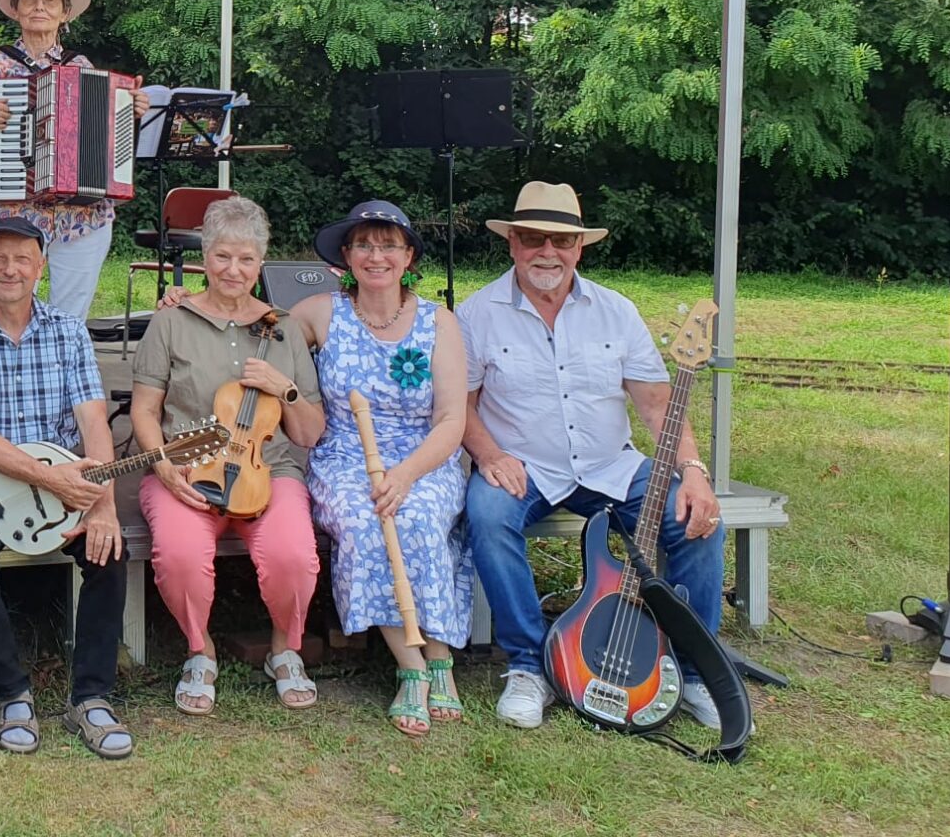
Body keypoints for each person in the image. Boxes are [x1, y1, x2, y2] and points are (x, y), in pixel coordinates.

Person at [457, 181, 725, 731]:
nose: (547, 252)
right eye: (534, 238)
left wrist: (694, 473)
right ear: (512, 243)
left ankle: (694, 671)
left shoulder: (616, 311)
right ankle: (530, 666)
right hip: (524, 467)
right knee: (486, 514)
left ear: (579, 248)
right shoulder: (477, 313)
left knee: (697, 519)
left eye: (561, 241)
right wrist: (488, 455)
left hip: (612, 464)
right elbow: (460, 405)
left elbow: (657, 405)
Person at [0, 215, 133, 759]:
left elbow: (94, 422)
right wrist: (49, 478)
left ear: (41, 266)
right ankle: (12, 693)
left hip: (62, 471)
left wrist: (103, 505)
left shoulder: (68, 331)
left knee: (108, 549)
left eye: (22, 258)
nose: (10, 269)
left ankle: (91, 697)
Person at [130, 195, 326, 716]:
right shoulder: (172, 321)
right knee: (179, 554)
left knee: (292, 556)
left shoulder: (284, 328)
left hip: (270, 468)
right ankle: (201, 650)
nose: (233, 270)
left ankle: (284, 648)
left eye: (246, 259)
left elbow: (309, 433)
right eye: (222, 256)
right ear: (204, 257)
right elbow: (144, 410)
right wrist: (162, 465)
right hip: (185, 467)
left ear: (261, 263)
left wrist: (285, 389)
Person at [299, 201, 472, 734]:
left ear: (409, 256)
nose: (376, 256)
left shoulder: (438, 322)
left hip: (424, 458)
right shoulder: (320, 313)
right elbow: (248, 324)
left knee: (418, 516)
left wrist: (407, 474)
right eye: (364, 245)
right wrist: (183, 300)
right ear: (347, 256)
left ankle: (439, 655)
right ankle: (413, 666)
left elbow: (451, 420)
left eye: (389, 245)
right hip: (345, 458)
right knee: (366, 519)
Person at [0, 0, 148, 320]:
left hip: (82, 216)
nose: (39, 7)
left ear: (65, 13)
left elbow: (106, 145)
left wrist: (129, 110)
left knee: (69, 320)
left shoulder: (81, 66)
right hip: (14, 210)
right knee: (9, 313)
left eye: (50, 0)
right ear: (15, 9)